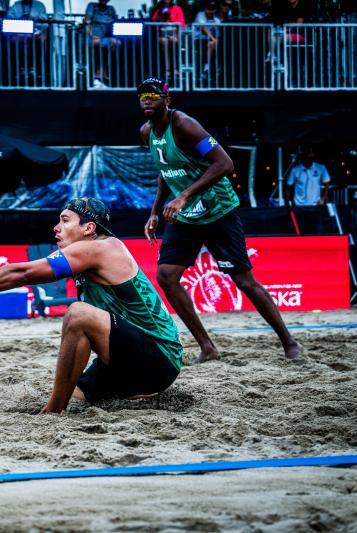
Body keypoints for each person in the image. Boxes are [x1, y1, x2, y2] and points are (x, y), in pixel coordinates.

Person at [0, 197, 184, 413]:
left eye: (65, 220)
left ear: (89, 228)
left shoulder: (102, 248)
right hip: (125, 359)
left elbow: (24, 274)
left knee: (78, 314)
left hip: (159, 358)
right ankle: (136, 393)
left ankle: (52, 413)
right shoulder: (85, 253)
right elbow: (19, 271)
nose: (56, 227)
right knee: (76, 394)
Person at [137, 77, 302, 363]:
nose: (147, 99)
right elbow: (165, 170)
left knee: (244, 280)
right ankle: (208, 347)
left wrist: (184, 195)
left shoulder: (184, 125)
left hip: (218, 210)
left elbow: (224, 163)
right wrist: (154, 211)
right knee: (166, 276)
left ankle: (289, 342)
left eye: (154, 94)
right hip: (186, 215)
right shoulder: (147, 132)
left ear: (167, 99)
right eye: (142, 96)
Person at [84, 0, 119, 87]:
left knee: (116, 43)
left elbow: (115, 24)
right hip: (92, 37)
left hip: (106, 37)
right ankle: (98, 71)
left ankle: (104, 69)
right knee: (98, 43)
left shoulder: (111, 9)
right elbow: (87, 21)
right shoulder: (92, 6)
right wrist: (92, 35)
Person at [150, 0, 186, 81]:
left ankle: (175, 68)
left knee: (173, 41)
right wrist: (160, 18)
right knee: (164, 41)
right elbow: (153, 21)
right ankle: (168, 70)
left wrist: (171, 18)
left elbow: (182, 24)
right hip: (162, 35)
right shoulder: (159, 9)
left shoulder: (177, 9)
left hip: (174, 35)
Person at [193, 0, 220, 81]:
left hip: (210, 41)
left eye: (212, 8)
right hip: (198, 40)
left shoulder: (217, 20)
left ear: (215, 9)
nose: (210, 10)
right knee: (211, 43)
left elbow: (218, 36)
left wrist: (215, 41)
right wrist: (214, 39)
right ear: (205, 8)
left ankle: (207, 69)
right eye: (208, 8)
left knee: (212, 44)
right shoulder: (200, 15)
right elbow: (203, 28)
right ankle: (206, 69)